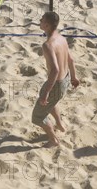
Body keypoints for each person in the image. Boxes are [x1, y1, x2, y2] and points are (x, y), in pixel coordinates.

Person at [31, 12, 80, 148]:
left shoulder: (48, 45)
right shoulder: (62, 38)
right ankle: (59, 124)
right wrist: (74, 77)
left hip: (56, 83)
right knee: (52, 102)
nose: (40, 20)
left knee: (37, 117)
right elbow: (71, 59)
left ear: (46, 25)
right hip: (66, 79)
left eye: (42, 19)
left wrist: (46, 91)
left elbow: (55, 70)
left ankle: (53, 140)